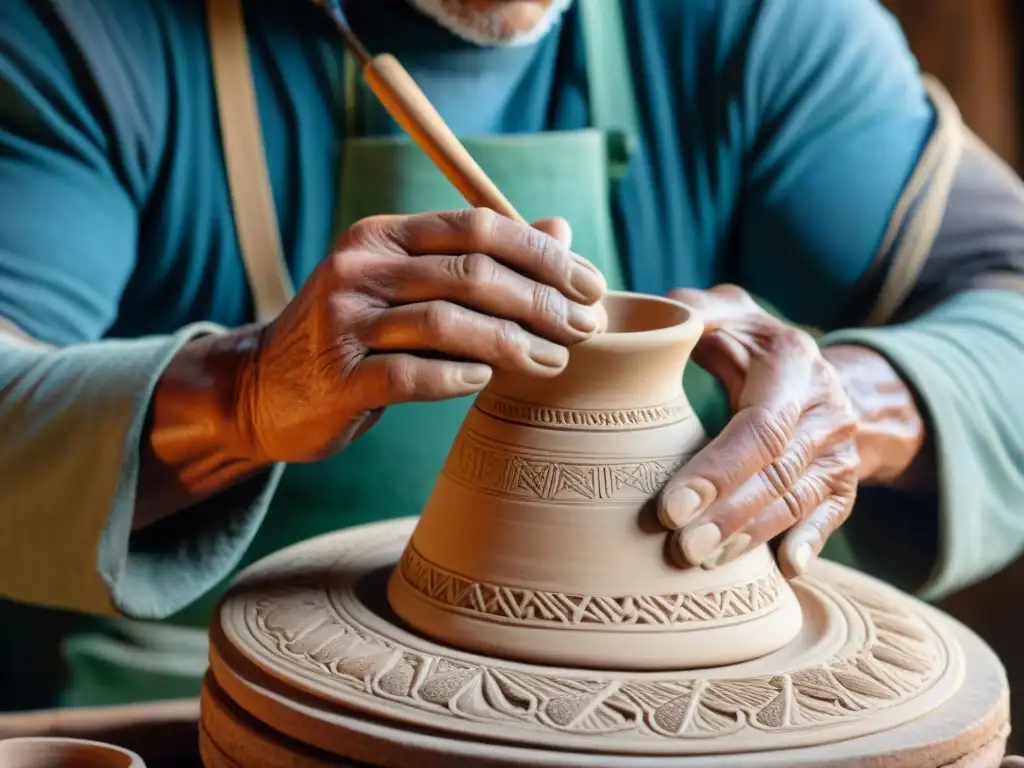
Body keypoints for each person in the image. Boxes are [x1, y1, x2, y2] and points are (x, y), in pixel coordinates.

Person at [0, 0, 1022, 709]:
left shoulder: (764, 27)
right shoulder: (87, 34)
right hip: (226, 691)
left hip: (679, 706)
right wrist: (244, 395)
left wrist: (853, 404)